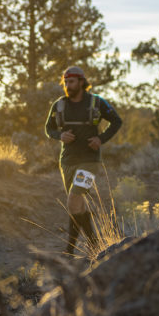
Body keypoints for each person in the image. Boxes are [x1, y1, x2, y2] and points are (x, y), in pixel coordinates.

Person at [44, 65, 123, 256]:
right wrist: (60, 135)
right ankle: (95, 246)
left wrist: (101, 139)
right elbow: (49, 129)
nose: (68, 85)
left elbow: (117, 121)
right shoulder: (59, 105)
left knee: (73, 199)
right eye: (65, 82)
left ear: (81, 81)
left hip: (90, 161)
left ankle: (70, 249)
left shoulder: (97, 102)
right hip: (67, 161)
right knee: (78, 205)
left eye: (71, 81)